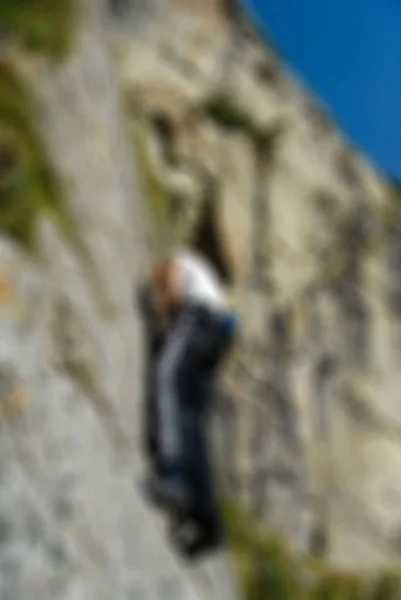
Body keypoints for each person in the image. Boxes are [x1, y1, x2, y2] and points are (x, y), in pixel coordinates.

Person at [140, 245, 239, 558]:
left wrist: (157, 312)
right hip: (219, 334)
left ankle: (175, 476)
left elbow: (172, 288)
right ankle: (208, 524)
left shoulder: (179, 261)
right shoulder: (206, 278)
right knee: (193, 423)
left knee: (167, 375)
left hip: (198, 319)